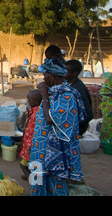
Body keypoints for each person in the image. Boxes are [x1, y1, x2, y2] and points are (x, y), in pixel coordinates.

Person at [30, 58, 85, 196]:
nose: (43, 79)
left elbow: (50, 119)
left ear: (53, 76)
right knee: (38, 181)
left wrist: (43, 95)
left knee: (56, 186)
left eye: (45, 75)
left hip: (56, 153)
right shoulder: (54, 92)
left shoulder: (67, 96)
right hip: (41, 148)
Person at [65, 59, 93, 135]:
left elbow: (88, 113)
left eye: (65, 71)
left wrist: (76, 125)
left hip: (76, 129)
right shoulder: (69, 85)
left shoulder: (78, 89)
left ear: (74, 73)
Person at [18, 89, 42, 180]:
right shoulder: (32, 112)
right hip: (29, 145)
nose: (28, 102)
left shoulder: (37, 114)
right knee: (31, 165)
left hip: (31, 146)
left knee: (23, 165)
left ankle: (33, 181)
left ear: (36, 101)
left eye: (29, 100)